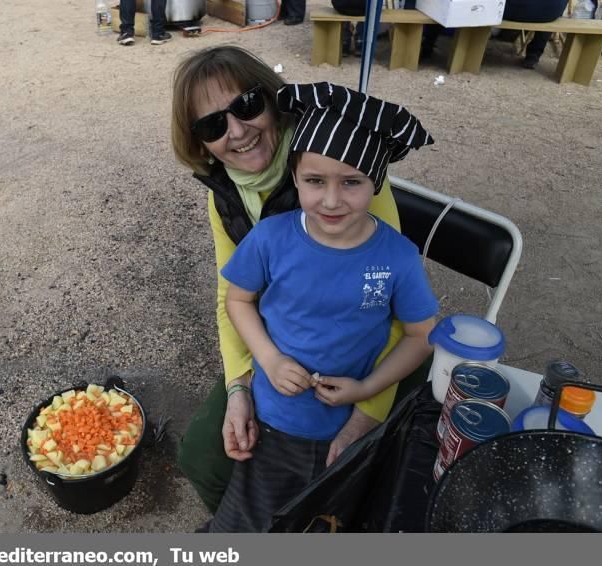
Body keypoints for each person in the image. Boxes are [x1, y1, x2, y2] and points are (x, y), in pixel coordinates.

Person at [171, 46, 430, 516]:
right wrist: (239, 388)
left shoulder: (344, 159)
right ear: (201, 142)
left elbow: (390, 304)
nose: (236, 131)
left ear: (272, 98)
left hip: (366, 352)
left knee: (354, 484)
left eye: (247, 106)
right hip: (281, 346)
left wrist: (368, 408)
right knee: (205, 460)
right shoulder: (225, 194)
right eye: (213, 125)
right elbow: (232, 296)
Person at [503, 0, 570, 69]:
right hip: (552, 11)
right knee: (547, 11)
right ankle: (534, 55)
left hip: (513, 9)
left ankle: (502, 35)